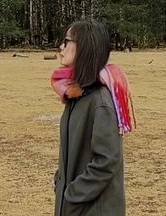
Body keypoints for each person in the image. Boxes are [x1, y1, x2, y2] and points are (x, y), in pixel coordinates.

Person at [51, 19, 135, 216]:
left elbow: (106, 161)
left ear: (85, 48)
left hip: (93, 209)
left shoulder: (100, 102)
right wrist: (61, 181)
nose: (61, 47)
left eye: (66, 41)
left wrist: (72, 193)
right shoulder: (76, 94)